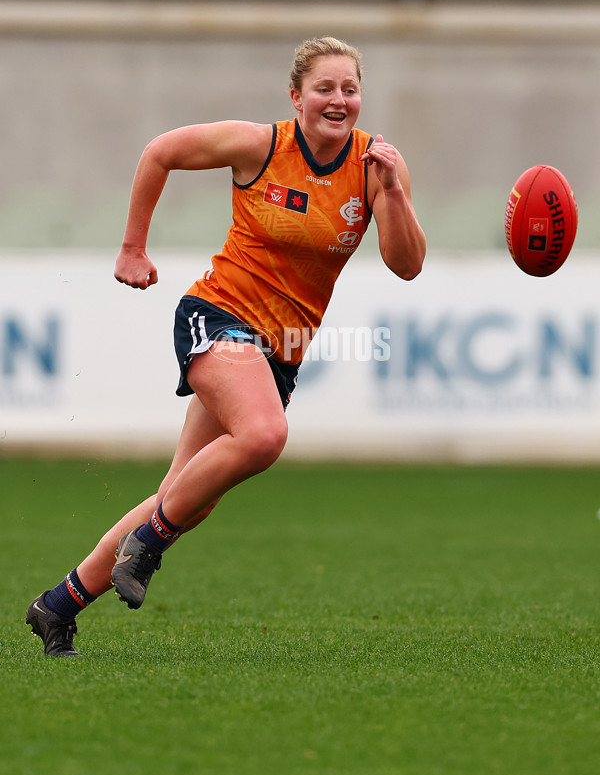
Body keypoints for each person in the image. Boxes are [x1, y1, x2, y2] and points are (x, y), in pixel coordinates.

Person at [26, 36, 426, 656]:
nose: (338, 100)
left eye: (349, 89)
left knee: (186, 497)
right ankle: (150, 544)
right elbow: (160, 153)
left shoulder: (375, 167)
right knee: (263, 436)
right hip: (218, 314)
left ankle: (59, 604)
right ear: (296, 97)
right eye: (324, 88)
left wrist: (396, 192)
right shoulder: (260, 146)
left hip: (283, 347)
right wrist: (132, 246)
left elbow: (407, 265)